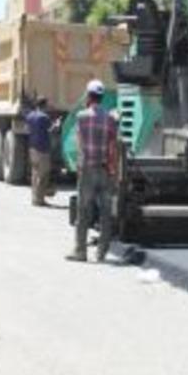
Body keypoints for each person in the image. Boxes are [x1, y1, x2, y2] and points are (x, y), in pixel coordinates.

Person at [66, 79, 118, 263]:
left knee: (83, 211)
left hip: (87, 169)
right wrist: (113, 171)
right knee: (105, 213)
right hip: (105, 170)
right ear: (102, 97)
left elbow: (79, 144)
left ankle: (80, 251)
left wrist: (79, 167)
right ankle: (101, 253)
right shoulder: (111, 118)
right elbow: (113, 147)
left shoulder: (81, 116)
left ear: (89, 96)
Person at [25, 97, 56, 206]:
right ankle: (40, 199)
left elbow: (27, 129)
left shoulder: (30, 116)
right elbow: (51, 129)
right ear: (44, 105)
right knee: (43, 175)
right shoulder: (44, 117)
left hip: (32, 148)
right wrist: (56, 125)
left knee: (35, 173)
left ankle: (34, 198)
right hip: (43, 149)